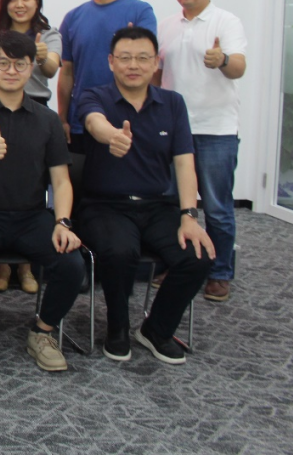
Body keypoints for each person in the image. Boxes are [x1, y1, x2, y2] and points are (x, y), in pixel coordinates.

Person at [76, 26, 215, 365]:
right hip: (104, 205)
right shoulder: (95, 96)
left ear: (156, 63)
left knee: (198, 255)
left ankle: (156, 330)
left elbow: (184, 163)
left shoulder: (172, 103)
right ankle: (118, 328)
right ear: (111, 62)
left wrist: (189, 215)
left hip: (157, 205)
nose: (133, 65)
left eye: (142, 58)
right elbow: (93, 122)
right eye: (125, 58)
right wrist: (112, 135)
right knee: (119, 251)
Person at [0, 31, 83, 375]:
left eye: (19, 64)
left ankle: (43, 332)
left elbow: (61, 180)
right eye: (3, 63)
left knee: (71, 263)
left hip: (31, 216)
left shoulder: (47, 119)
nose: (11, 71)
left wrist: (63, 222)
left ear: (31, 67)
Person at [157, 0, 247, 303]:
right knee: (170, 203)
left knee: (216, 206)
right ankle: (177, 264)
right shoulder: (167, 25)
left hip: (216, 129)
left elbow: (238, 67)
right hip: (172, 129)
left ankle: (220, 272)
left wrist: (222, 60)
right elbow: (157, 75)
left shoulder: (226, 21)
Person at [0, 0, 62, 295]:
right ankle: (3, 265)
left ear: (37, 1)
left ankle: (27, 266)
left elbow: (52, 68)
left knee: (32, 183)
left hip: (36, 110)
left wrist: (41, 55)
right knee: (1, 181)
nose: (20, 4)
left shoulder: (49, 34)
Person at [58, 0, 156, 153]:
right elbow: (66, 72)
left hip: (128, 117)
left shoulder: (140, 11)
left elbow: (147, 62)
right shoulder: (73, 18)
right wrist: (62, 118)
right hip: (82, 119)